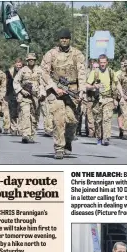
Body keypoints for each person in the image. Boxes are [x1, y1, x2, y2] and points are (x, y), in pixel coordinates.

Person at [40, 28, 87, 159]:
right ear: (59, 40)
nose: (64, 40)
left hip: (72, 90)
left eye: (66, 38)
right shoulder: (51, 54)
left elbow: (82, 73)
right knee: (58, 120)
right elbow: (44, 72)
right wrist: (55, 88)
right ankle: (59, 148)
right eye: (62, 38)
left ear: (69, 39)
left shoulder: (77, 54)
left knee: (72, 120)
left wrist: (82, 90)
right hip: (56, 92)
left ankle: (68, 141)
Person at [86, 54, 119, 145]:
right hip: (97, 100)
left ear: (107, 62)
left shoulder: (111, 72)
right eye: (101, 63)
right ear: (99, 63)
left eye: (104, 62)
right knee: (98, 121)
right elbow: (87, 85)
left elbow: (117, 84)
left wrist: (120, 96)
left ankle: (106, 137)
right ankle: (99, 137)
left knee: (107, 118)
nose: (103, 64)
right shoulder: (95, 72)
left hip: (108, 98)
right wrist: (94, 86)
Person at [13, 53, 45, 143]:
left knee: (34, 117)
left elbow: (43, 83)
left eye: (33, 59)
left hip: (36, 97)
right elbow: (16, 82)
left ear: (35, 60)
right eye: (29, 59)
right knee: (25, 115)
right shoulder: (22, 70)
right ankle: (25, 135)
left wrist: (42, 93)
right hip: (25, 97)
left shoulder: (39, 70)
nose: (31, 61)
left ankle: (32, 134)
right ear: (27, 60)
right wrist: (21, 90)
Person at [4, 58, 24, 135]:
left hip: (21, 94)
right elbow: (6, 83)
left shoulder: (24, 72)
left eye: (20, 65)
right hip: (11, 94)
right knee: (13, 112)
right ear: (14, 64)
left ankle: (20, 128)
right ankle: (13, 128)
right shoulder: (9, 72)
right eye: (17, 65)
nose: (18, 67)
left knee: (21, 112)